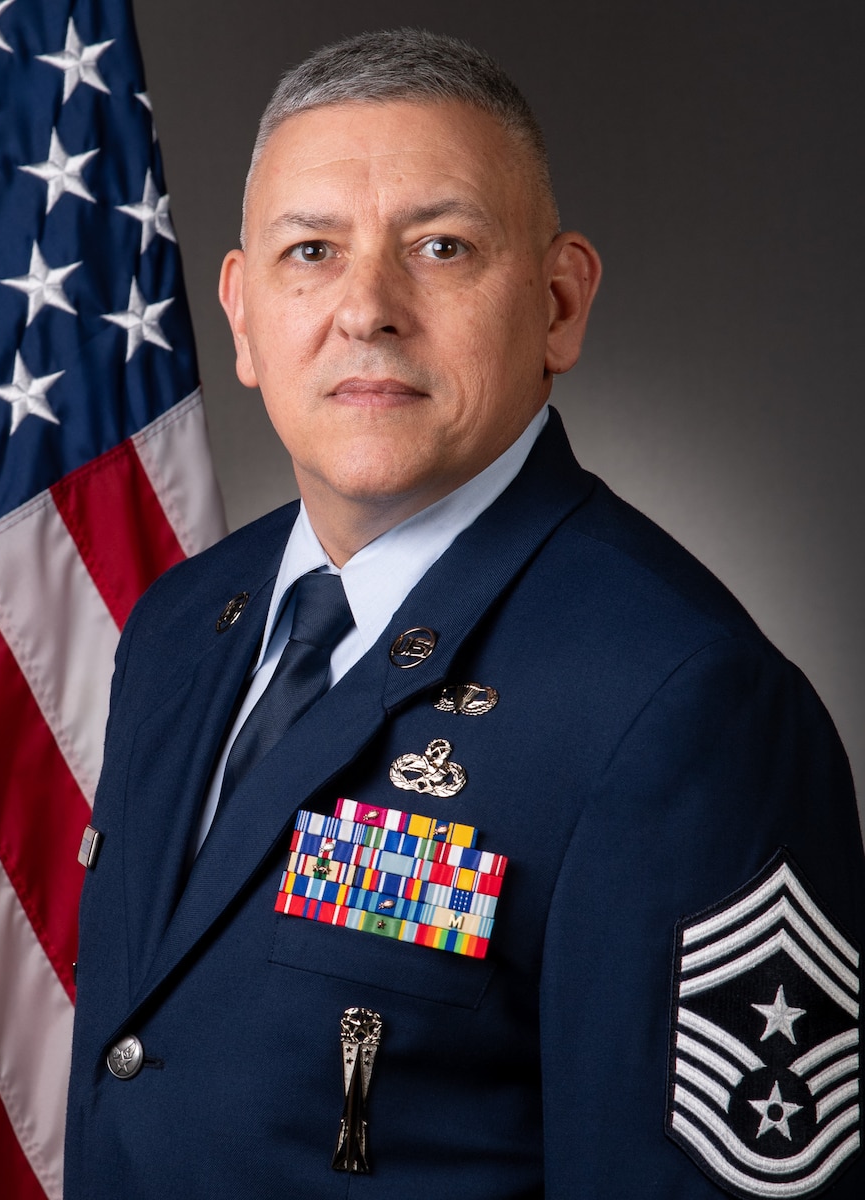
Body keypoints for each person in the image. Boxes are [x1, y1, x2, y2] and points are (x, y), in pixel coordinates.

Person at [64, 29, 865, 1199]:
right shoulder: (184, 625)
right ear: (242, 316)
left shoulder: (686, 709)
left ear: (558, 303)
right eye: (312, 252)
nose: (367, 310)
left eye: (441, 247)